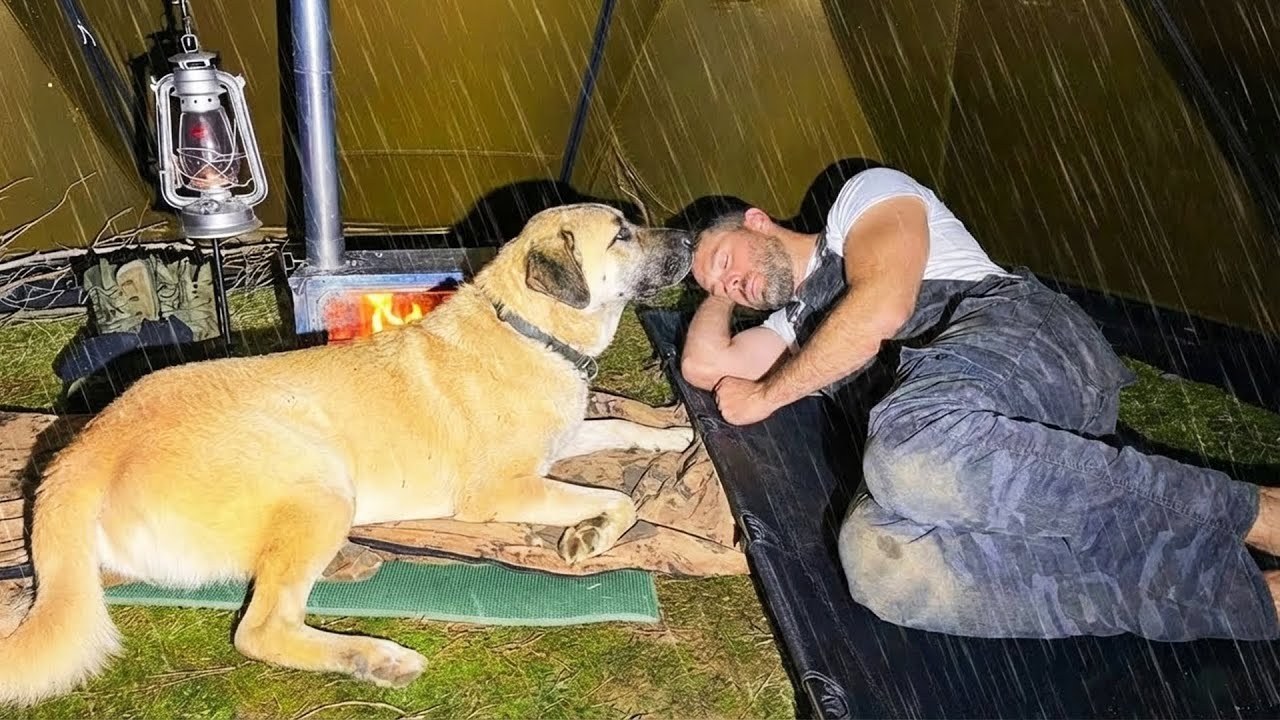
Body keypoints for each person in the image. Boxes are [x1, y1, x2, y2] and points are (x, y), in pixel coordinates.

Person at [679, 166, 1280, 641]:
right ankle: (1246, 599)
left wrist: (768, 393)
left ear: (757, 221)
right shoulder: (794, 325)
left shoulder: (861, 202)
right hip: (991, 456)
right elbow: (703, 366)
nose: (731, 281)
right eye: (720, 283)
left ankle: (1256, 516)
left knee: (906, 455)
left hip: (1030, 344)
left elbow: (880, 310)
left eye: (729, 259)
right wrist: (713, 285)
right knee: (879, 563)